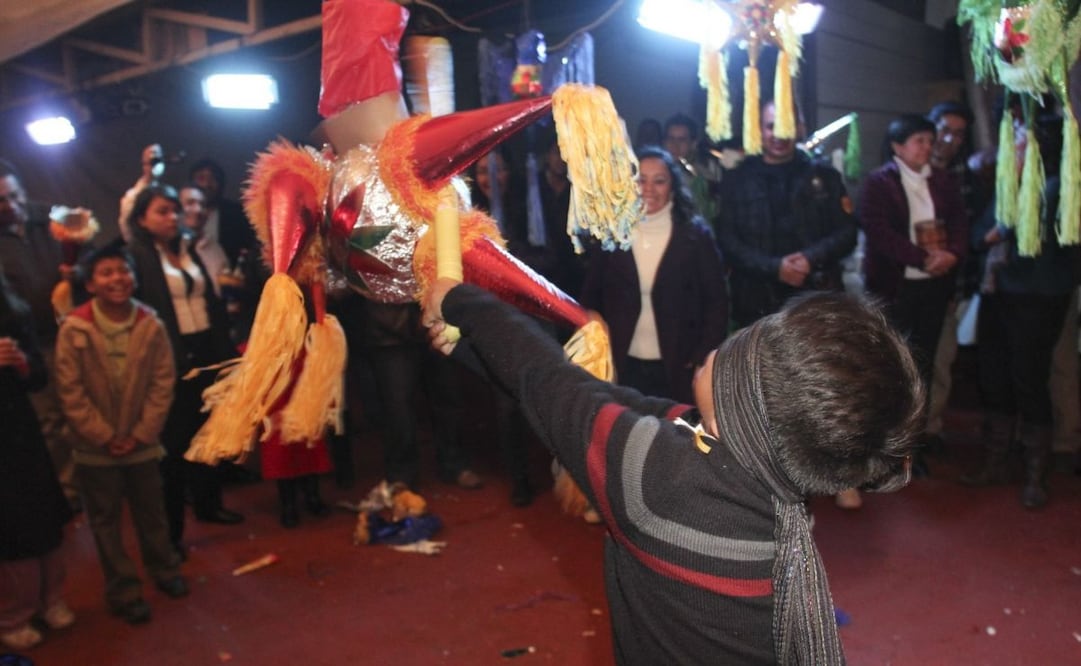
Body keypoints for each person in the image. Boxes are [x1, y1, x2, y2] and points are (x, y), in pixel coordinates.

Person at [422, 279, 923, 664]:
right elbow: (618, 403)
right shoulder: (764, 468)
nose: (728, 341)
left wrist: (463, 300)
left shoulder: (661, 485)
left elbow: (547, 383)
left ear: (742, 405)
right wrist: (469, 346)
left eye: (742, 347)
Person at [54, 243, 188, 625]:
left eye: (122, 271)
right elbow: (70, 390)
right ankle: (124, 590)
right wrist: (104, 436)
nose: (117, 279)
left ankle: (164, 571)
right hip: (95, 449)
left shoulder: (151, 323)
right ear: (91, 283)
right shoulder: (75, 327)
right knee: (105, 520)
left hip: (143, 444)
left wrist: (141, 433)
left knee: (153, 514)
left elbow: (163, 383)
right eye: (106, 273)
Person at [961, 110, 1081, 508]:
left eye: (1018, 135)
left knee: (1029, 378)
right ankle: (996, 461)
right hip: (998, 291)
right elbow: (980, 234)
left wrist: (1004, 229)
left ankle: (1036, 474)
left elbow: (1051, 242)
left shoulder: (1060, 185)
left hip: (1038, 294)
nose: (1012, 142)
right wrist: (996, 231)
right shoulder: (1006, 182)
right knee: (993, 374)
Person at [126, 184, 243, 559]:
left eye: (174, 210)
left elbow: (209, 301)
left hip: (205, 351)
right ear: (142, 219)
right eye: (162, 211)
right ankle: (171, 534)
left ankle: (209, 504)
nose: (172, 217)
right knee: (173, 450)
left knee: (207, 433)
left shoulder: (188, 249)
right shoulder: (136, 256)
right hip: (168, 359)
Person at [859, 114, 967, 475]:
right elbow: (880, 233)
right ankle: (885, 447)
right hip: (895, 286)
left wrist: (950, 254)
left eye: (928, 140)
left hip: (934, 286)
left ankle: (915, 445)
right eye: (918, 140)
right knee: (891, 366)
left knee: (924, 363)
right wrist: (923, 257)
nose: (927, 147)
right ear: (897, 146)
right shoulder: (879, 182)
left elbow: (959, 224)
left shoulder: (944, 181)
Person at [580, 146, 727, 404]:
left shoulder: (695, 235)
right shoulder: (613, 232)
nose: (648, 189)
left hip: (678, 365)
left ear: (672, 186)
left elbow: (717, 302)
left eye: (659, 181)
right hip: (621, 363)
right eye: (640, 179)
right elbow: (591, 295)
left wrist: (702, 356)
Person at [718, 99, 858, 329]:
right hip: (756, 304)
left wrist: (810, 258)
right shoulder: (738, 179)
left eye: (787, 126)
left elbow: (848, 232)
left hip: (816, 300)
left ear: (800, 127)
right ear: (759, 129)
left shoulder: (825, 176)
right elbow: (727, 240)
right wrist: (775, 268)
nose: (779, 135)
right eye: (771, 126)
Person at [0, 158, 81, 511]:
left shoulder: (52, 219)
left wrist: (77, 268)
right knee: (51, 421)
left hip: (74, 333)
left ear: (23, 190)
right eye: (1, 201)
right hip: (33, 343)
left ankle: (98, 484)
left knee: (83, 412)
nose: (10, 206)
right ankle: (69, 493)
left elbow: (88, 240)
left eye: (13, 196)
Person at [0, 270, 74, 650]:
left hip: (19, 424)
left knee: (45, 510)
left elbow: (39, 376)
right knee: (12, 526)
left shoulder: (10, 305)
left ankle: (51, 599)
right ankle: (14, 614)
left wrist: (23, 366)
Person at [924, 102, 981, 452]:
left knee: (942, 359)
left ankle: (931, 428)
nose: (949, 139)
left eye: (958, 134)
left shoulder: (967, 180)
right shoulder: (903, 170)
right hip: (906, 283)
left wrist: (959, 285)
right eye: (944, 129)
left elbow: (969, 236)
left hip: (948, 284)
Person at [118, 144, 166, 243]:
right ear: (144, 164)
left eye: (159, 160)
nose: (156, 165)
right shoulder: (132, 197)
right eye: (152, 161)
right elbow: (126, 226)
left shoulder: (164, 192)